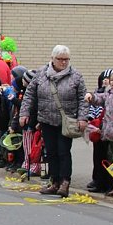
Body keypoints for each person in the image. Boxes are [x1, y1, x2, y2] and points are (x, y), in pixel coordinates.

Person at [19, 45, 88, 197]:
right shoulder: (42, 73)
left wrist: (82, 118)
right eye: (60, 59)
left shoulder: (75, 75)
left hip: (66, 120)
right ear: (52, 59)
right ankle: (54, 181)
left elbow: (83, 99)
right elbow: (29, 94)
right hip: (46, 119)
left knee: (63, 151)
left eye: (66, 59)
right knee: (51, 152)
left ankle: (65, 182)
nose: (64, 62)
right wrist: (24, 113)